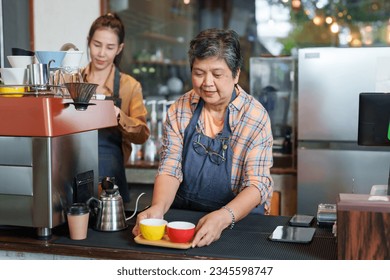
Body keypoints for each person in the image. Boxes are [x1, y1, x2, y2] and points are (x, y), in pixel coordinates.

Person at [132, 28, 273, 247]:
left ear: (236, 74)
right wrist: (158, 208)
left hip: (238, 222)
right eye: (199, 73)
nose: (206, 83)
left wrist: (224, 216)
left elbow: (257, 184)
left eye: (217, 74)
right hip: (186, 220)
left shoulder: (254, 116)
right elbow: (170, 168)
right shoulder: (180, 109)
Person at [82, 13, 150, 203]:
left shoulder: (130, 86)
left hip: (111, 176)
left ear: (119, 48)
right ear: (88, 42)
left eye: (110, 47)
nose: (102, 53)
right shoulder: (74, 81)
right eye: (97, 45)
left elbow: (143, 135)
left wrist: (119, 116)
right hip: (75, 171)